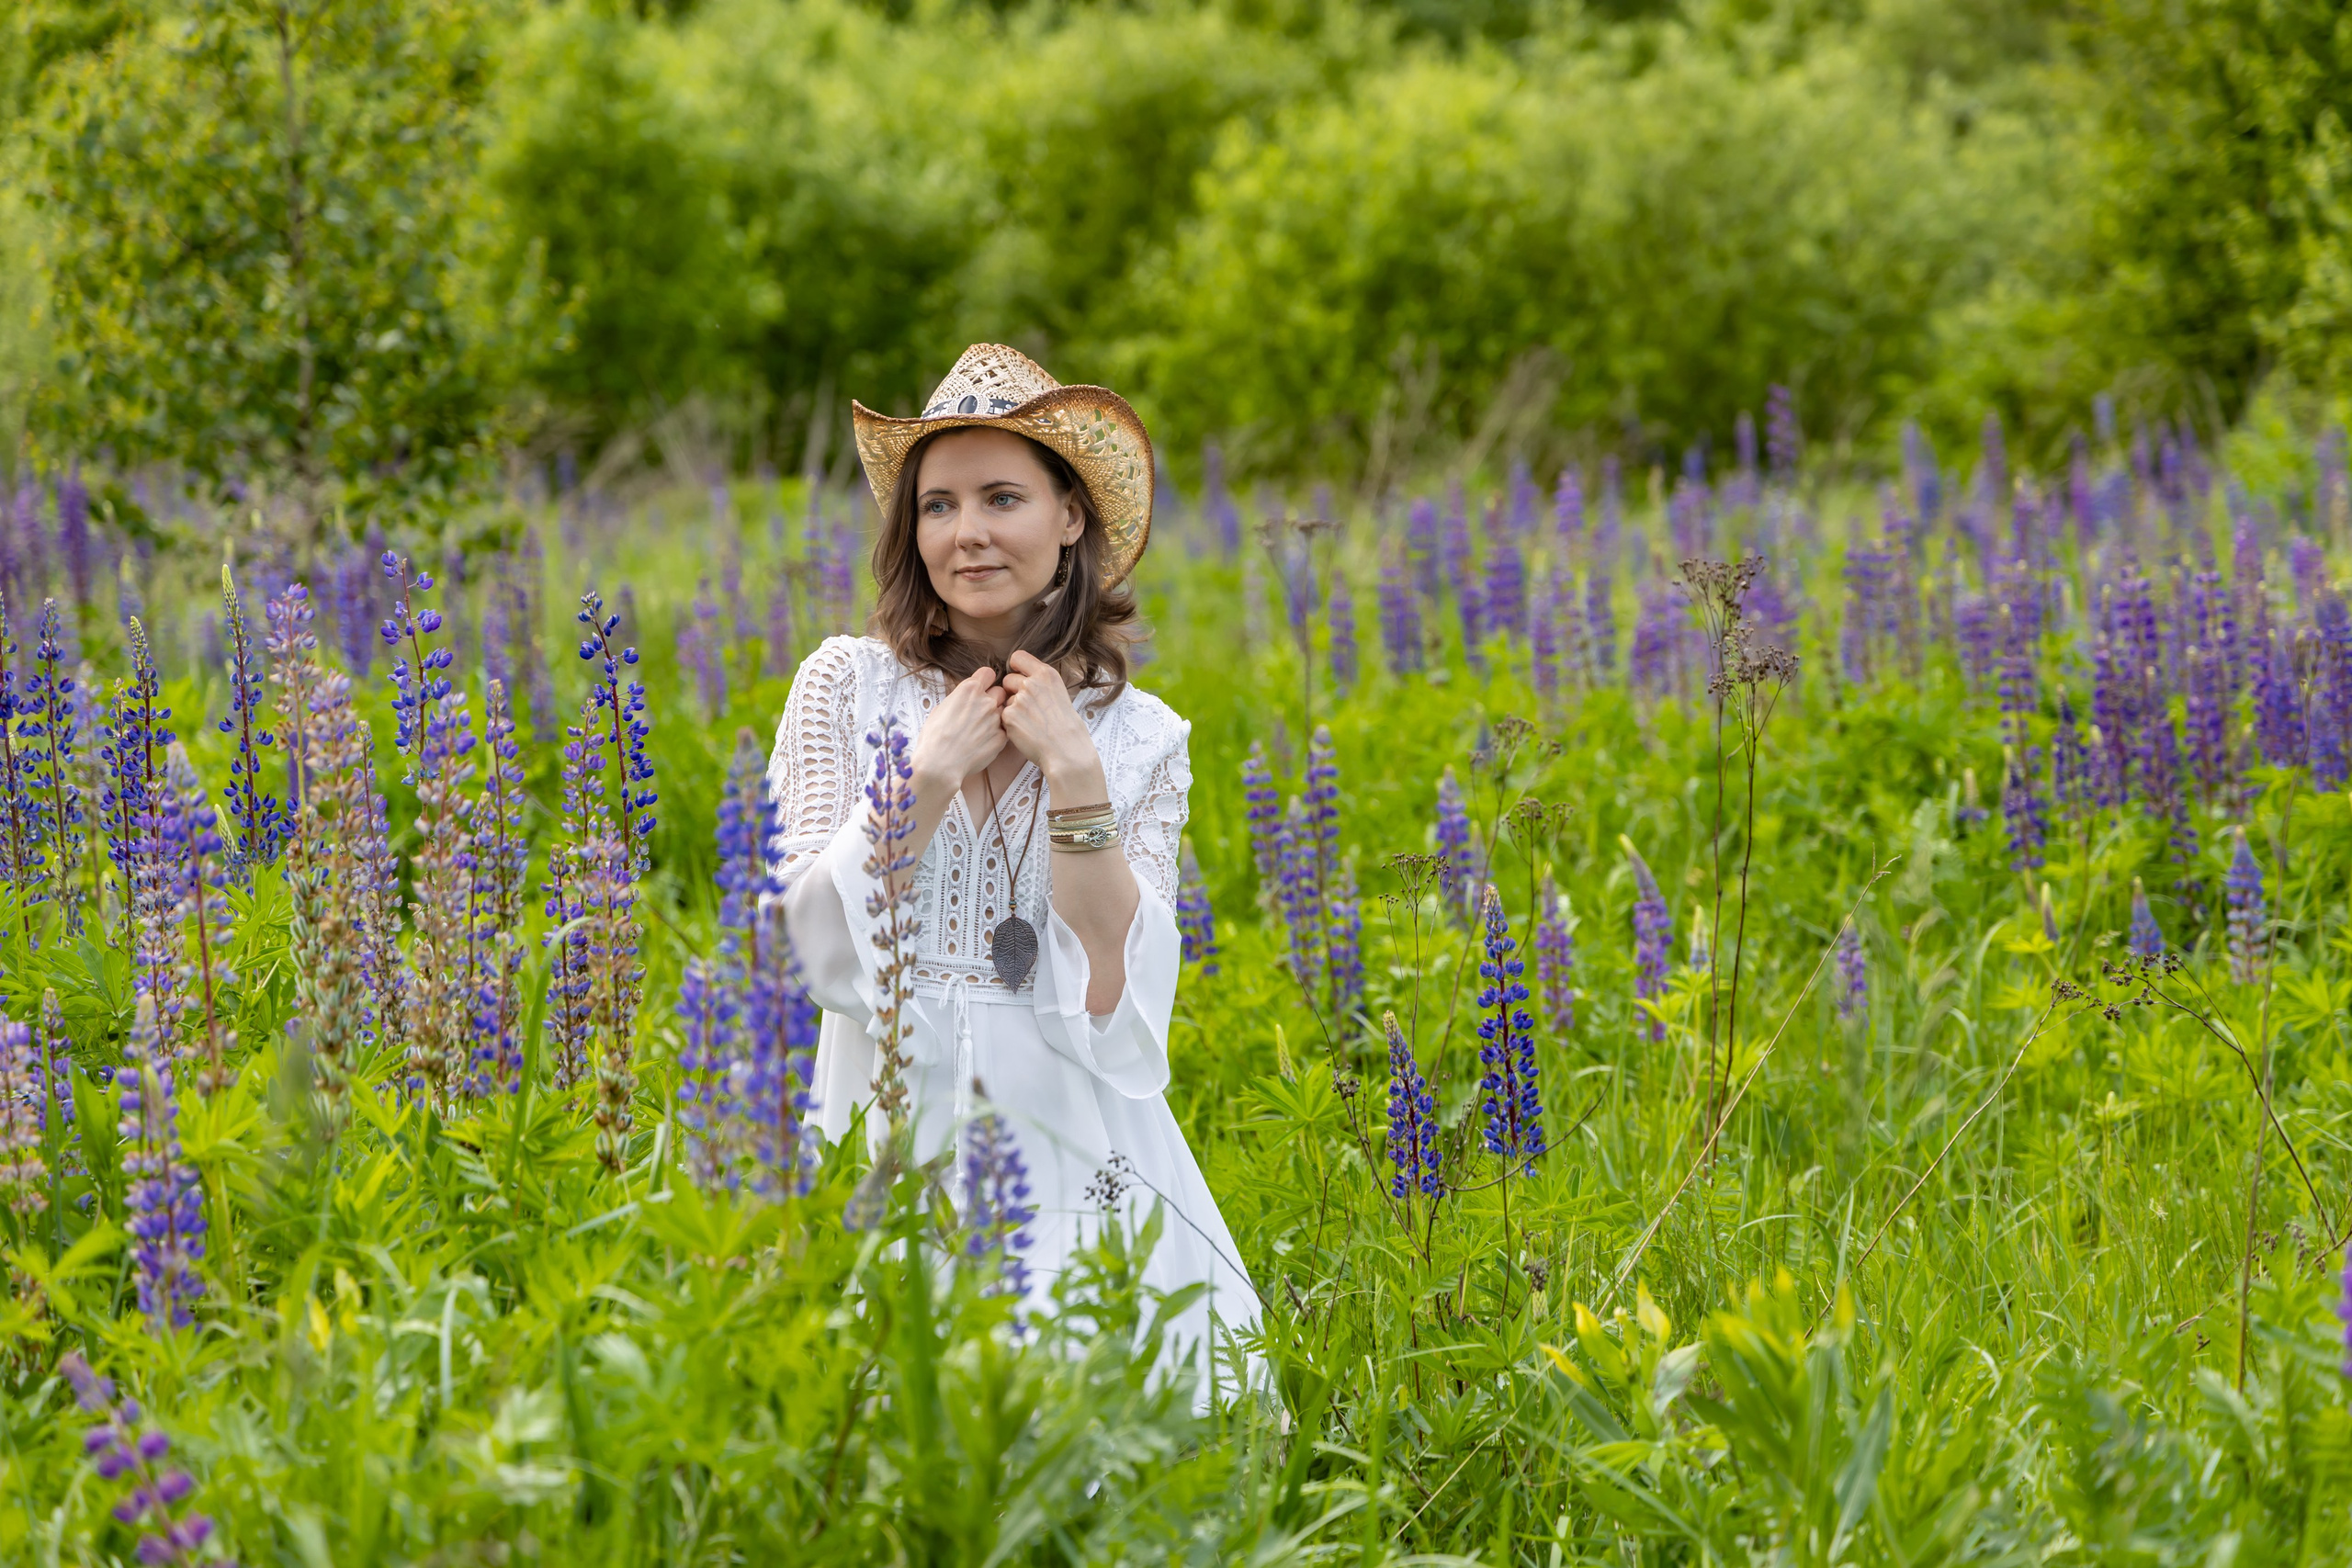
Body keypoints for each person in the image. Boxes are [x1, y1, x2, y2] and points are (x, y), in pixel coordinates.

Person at [769, 343, 1258, 1378]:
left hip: (1081, 1159)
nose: (967, 533)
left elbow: (1120, 1012)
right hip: (889, 1136)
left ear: (1070, 515)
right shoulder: (843, 688)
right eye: (937, 505)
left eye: (1001, 497)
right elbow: (803, 950)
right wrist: (927, 777)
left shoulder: (1140, 736)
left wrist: (1078, 781)